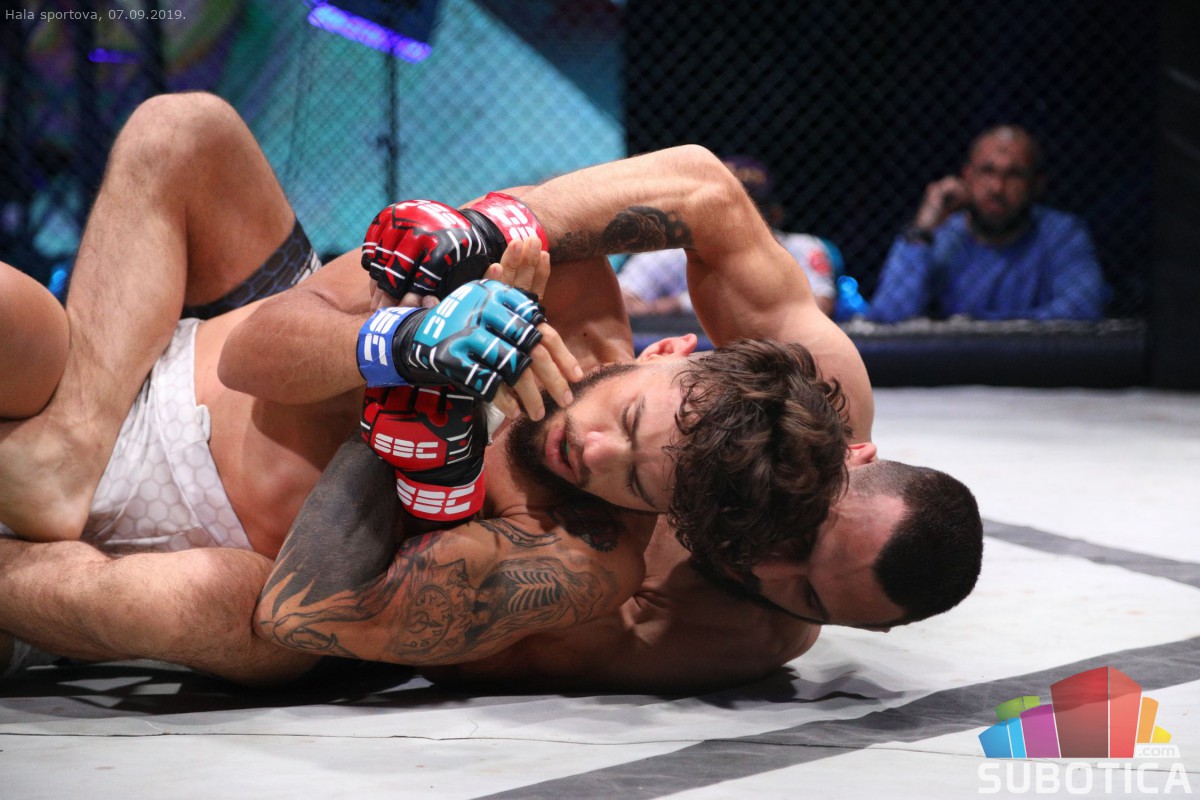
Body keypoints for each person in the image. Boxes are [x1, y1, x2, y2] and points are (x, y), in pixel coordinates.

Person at [0, 92, 982, 691]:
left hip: (263, 535)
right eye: (805, 531)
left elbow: (326, 618)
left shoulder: (640, 585)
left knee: (230, 617)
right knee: (184, 131)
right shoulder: (594, 311)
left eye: (806, 590)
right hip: (235, 370)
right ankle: (68, 445)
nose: (769, 559)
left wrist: (427, 421)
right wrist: (473, 259)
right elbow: (700, 189)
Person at [866, 125, 1110, 323]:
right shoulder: (944, 237)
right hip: (954, 366)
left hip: (1035, 365)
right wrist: (922, 229)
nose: (997, 188)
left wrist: (973, 328)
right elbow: (889, 316)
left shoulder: (1061, 234)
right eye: (987, 171)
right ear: (967, 176)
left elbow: (1083, 310)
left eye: (1014, 174)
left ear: (1036, 184)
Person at [618, 155, 840, 318]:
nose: (737, 217)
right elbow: (622, 301)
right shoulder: (672, 252)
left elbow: (820, 307)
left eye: (751, 208)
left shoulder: (801, 247)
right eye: (724, 207)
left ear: (775, 214)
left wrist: (681, 304)